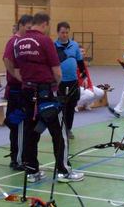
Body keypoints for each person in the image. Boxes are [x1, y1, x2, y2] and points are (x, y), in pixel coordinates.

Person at [13, 13, 83, 183]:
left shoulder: (19, 42)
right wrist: (53, 86)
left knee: (31, 132)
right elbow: (57, 71)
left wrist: (28, 82)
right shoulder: (45, 41)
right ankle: (64, 171)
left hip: (27, 92)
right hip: (46, 94)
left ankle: (32, 172)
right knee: (58, 132)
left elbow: (15, 69)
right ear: (44, 24)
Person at [3, 14, 33, 170]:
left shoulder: (27, 42)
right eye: (28, 28)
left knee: (24, 125)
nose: (29, 31)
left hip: (25, 89)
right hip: (17, 89)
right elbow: (7, 59)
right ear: (21, 25)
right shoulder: (14, 42)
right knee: (19, 124)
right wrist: (17, 76)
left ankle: (21, 155)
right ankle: (18, 159)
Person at [54, 22, 86, 140]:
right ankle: (60, 129)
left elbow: (80, 61)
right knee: (61, 106)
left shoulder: (74, 45)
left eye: (67, 32)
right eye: (62, 32)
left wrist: (84, 76)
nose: (65, 35)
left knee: (71, 106)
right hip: (60, 82)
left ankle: (68, 129)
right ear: (58, 32)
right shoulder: (53, 46)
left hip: (73, 81)